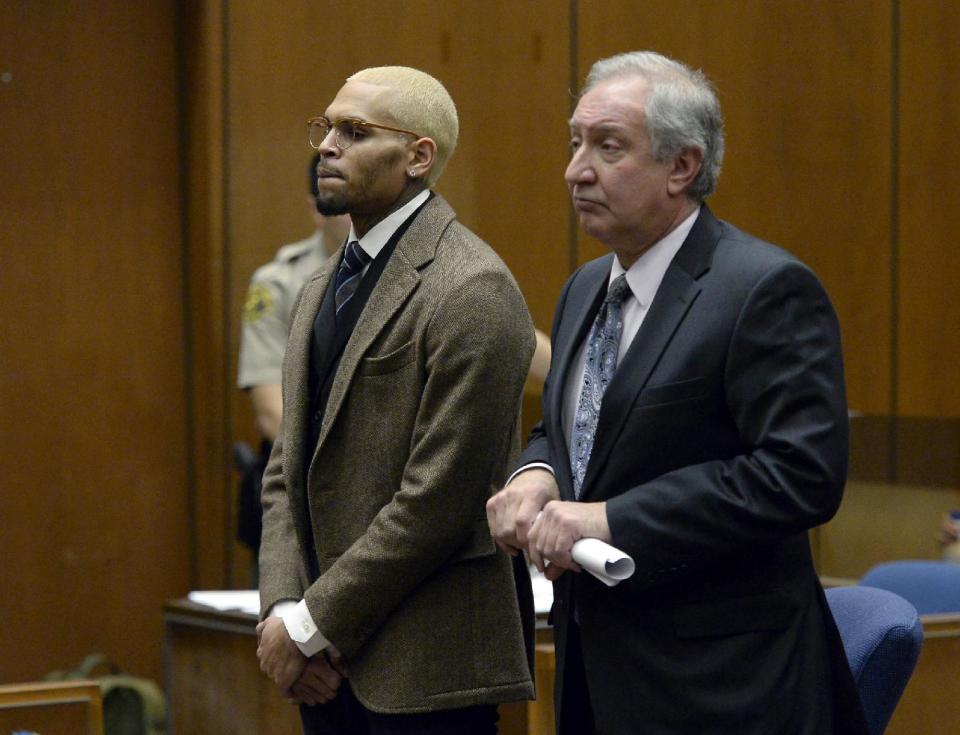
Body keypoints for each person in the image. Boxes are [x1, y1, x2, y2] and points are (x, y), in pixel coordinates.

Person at [486, 50, 869, 734]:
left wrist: (611, 519)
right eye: (576, 143)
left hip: (721, 688)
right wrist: (537, 472)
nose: (575, 170)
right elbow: (570, 429)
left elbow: (800, 475)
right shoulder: (583, 288)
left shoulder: (762, 289)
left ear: (682, 167)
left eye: (608, 147)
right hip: (593, 670)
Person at [256, 66, 535, 735]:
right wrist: (284, 609)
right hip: (325, 671)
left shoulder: (473, 287)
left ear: (417, 156)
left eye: (354, 132)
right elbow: (285, 469)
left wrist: (310, 622)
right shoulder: (320, 285)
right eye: (325, 128)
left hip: (428, 670)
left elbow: (439, 498)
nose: (326, 146)